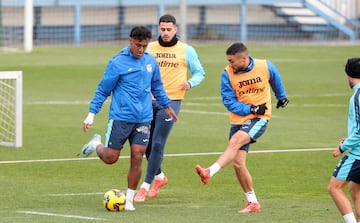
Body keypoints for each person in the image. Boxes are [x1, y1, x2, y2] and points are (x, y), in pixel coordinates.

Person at [80, 26, 178, 211]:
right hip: (121, 117)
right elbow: (103, 89)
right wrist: (92, 113)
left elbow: (157, 86)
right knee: (111, 158)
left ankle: (129, 199)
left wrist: (167, 105)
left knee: (138, 156)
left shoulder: (150, 61)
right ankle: (96, 145)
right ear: (130, 41)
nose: (141, 50)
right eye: (138, 45)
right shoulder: (117, 63)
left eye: (145, 46)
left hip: (143, 118)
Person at [195, 42, 289, 213]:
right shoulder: (227, 74)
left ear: (244, 58)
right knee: (238, 164)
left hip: (259, 118)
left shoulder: (265, 66)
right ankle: (252, 202)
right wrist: (250, 108)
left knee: (235, 141)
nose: (230, 65)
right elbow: (229, 102)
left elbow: (275, 77)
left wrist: (281, 97)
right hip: (238, 120)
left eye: (232, 61)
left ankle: (210, 171)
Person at [134, 14, 205, 203]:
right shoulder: (149, 48)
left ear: (176, 30)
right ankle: (159, 177)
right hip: (147, 100)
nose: (165, 33)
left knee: (158, 143)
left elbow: (199, 72)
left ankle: (145, 185)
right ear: (158, 29)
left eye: (169, 29)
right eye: (162, 29)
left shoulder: (186, 50)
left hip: (171, 101)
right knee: (144, 144)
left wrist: (190, 83)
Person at [328, 58, 360, 223]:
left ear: (348, 75)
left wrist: (343, 146)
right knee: (355, 190)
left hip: (358, 155)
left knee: (334, 188)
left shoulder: (357, 96)